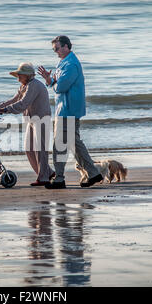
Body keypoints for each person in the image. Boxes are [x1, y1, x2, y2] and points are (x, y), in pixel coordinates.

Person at [38, 35, 103, 189]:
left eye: (57, 48)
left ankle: (60, 178)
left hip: (68, 110)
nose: (56, 52)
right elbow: (57, 83)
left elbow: (60, 87)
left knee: (60, 144)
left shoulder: (71, 64)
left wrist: (50, 82)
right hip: (65, 109)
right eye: (54, 49)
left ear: (66, 46)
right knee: (74, 143)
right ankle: (93, 173)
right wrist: (51, 80)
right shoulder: (64, 62)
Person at [0, 62, 55, 186]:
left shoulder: (34, 85)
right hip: (31, 120)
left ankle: (43, 178)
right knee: (29, 149)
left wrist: (3, 111)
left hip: (41, 119)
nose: (18, 78)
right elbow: (13, 100)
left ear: (27, 75)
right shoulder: (24, 86)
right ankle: (47, 173)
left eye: (20, 75)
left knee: (40, 150)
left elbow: (22, 104)